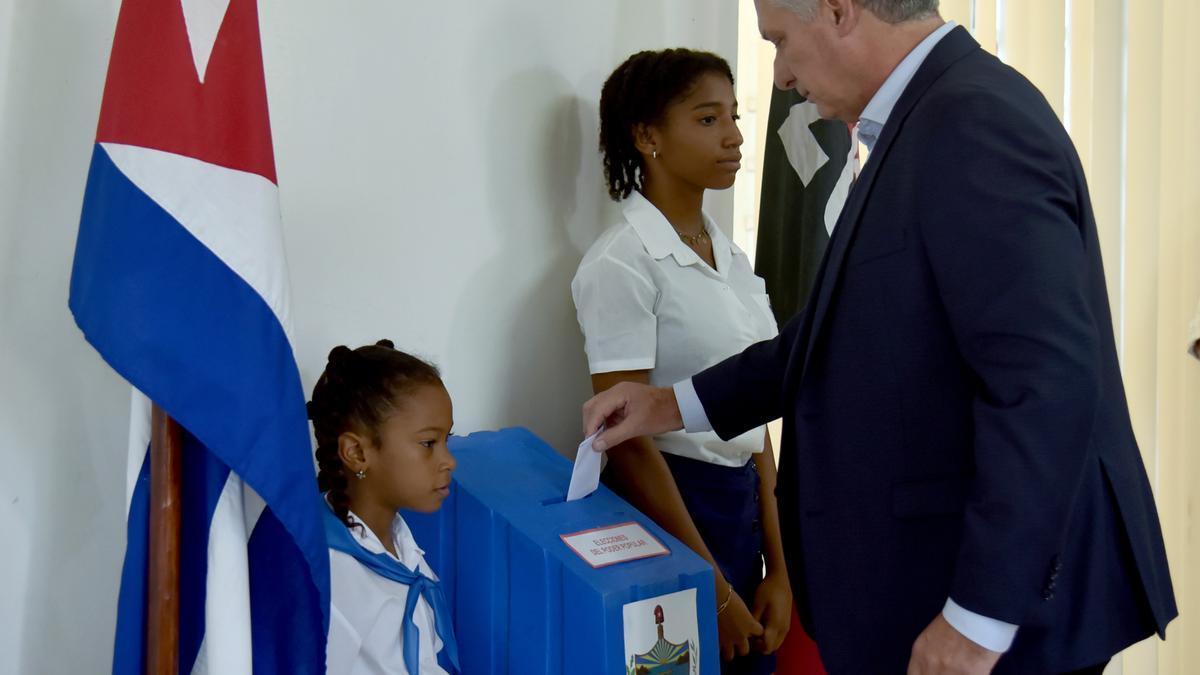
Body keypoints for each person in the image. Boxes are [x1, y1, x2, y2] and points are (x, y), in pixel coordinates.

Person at [581, 2, 1177, 673]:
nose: (779, 76)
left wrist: (979, 619)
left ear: (837, 11)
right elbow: (835, 332)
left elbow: (1045, 383)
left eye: (780, 42)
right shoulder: (925, 119)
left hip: (999, 617)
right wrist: (670, 403)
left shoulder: (972, 121)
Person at [571, 48, 791, 671]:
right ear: (647, 137)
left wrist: (777, 568)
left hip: (745, 505)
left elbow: (753, 411)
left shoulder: (733, 259)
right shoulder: (622, 263)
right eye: (707, 119)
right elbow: (628, 439)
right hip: (672, 513)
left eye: (734, 115)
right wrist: (712, 591)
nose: (734, 136)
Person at [308, 340, 460, 675]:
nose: (449, 461)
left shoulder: (400, 544)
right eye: (428, 443)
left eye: (447, 440)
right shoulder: (333, 578)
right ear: (358, 453)